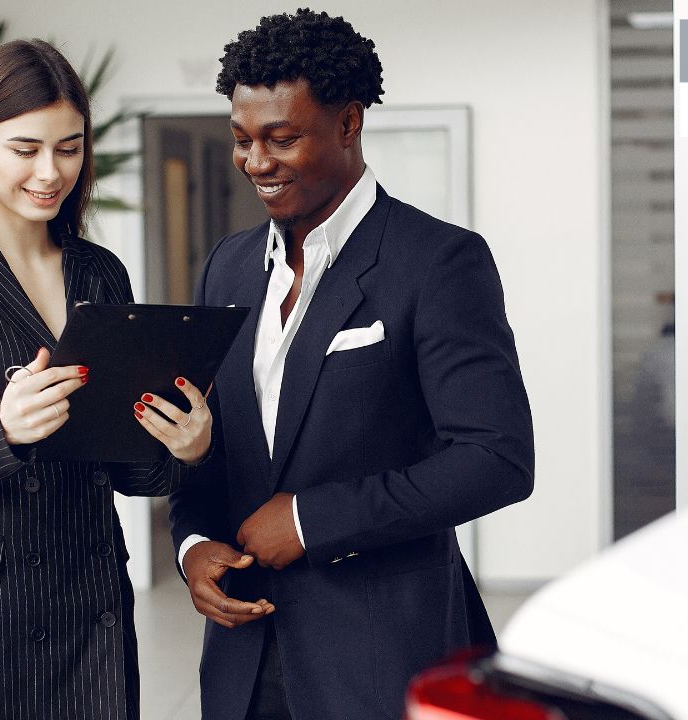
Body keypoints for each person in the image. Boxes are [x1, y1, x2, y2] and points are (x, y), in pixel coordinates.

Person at [167, 10, 535, 719]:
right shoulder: (229, 268)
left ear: (348, 124)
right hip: (244, 660)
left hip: (379, 652)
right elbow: (207, 439)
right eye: (243, 140)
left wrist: (310, 520)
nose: (257, 162)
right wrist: (192, 546)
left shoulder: (438, 262)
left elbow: (497, 458)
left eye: (282, 138)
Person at [0, 39, 214, 720]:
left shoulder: (100, 272)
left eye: (69, 147)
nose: (50, 171)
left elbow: (125, 463)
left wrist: (185, 447)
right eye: (25, 149)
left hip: (91, 598)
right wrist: (2, 430)